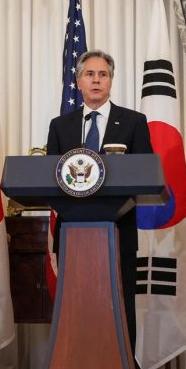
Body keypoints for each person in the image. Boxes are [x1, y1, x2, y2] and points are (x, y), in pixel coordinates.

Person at [46, 50, 152, 350]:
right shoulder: (60, 125)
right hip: (72, 232)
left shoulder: (133, 122)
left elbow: (145, 173)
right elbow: (50, 176)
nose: (96, 80)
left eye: (102, 74)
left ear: (111, 81)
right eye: (89, 74)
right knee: (75, 307)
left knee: (120, 305)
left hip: (119, 229)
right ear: (78, 81)